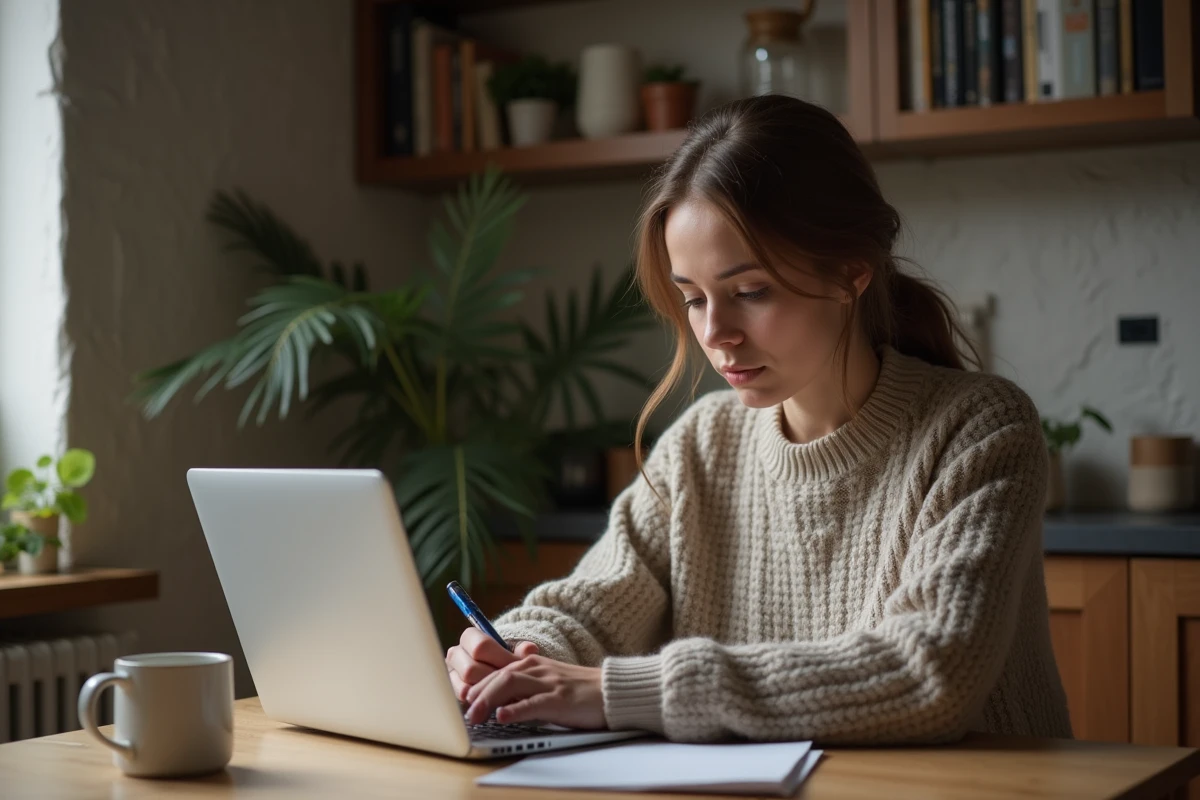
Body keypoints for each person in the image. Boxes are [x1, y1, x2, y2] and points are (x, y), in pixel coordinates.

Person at [444, 94, 1072, 745]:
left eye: (750, 292)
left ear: (850, 272)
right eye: (693, 298)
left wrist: (617, 691)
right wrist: (514, 653)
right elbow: (594, 602)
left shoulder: (981, 429)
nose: (717, 334)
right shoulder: (702, 444)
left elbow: (928, 672)